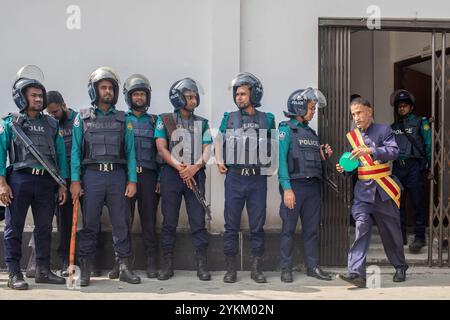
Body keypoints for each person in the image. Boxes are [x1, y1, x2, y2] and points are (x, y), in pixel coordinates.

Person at [70, 66, 140, 286]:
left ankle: (124, 267)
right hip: (92, 177)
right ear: (94, 90)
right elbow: (74, 151)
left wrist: (132, 180)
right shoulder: (82, 118)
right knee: (90, 224)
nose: (107, 91)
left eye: (110, 88)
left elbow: (130, 152)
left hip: (117, 177)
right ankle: (87, 268)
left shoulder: (123, 119)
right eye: (103, 87)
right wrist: (75, 181)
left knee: (121, 223)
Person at [0, 66, 68, 289]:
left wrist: (62, 184)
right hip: (20, 179)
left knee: (44, 228)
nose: (39, 99)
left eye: (41, 95)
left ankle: (42, 270)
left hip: (47, 181)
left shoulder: (51, 124)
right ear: (22, 97)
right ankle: (13, 274)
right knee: (14, 227)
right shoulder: (11, 123)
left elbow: (59, 156)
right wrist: (2, 183)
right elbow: (1, 154)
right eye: (34, 95)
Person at [336, 97, 408, 288]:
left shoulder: (384, 130)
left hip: (384, 191)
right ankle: (356, 273)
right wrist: (345, 168)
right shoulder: (353, 136)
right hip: (363, 193)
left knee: (391, 232)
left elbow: (393, 152)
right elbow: (354, 164)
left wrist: (370, 150)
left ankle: (400, 266)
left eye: (359, 112)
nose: (356, 117)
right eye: (353, 114)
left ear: (370, 111)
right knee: (360, 229)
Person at [216, 72, 275, 283]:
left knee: (257, 226)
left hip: (257, 179)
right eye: (237, 94)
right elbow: (219, 139)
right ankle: (230, 269)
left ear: (254, 94)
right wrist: (219, 159)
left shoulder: (267, 118)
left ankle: (256, 268)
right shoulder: (229, 117)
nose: (239, 97)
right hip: (235, 178)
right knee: (231, 225)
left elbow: (272, 144)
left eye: (243, 93)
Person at [155, 78, 212, 281]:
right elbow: (161, 148)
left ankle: (201, 264)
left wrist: (195, 167)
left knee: (198, 221)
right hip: (172, 174)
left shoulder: (203, 122)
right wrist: (179, 167)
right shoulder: (165, 120)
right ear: (178, 98)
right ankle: (167, 264)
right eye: (189, 97)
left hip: (195, 173)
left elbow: (208, 149)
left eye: (195, 96)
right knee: (169, 221)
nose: (193, 100)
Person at [277, 88, 333, 282]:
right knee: (288, 229)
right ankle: (286, 268)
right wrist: (286, 189)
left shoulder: (311, 133)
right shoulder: (285, 130)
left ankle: (312, 266)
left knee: (311, 229)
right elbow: (281, 161)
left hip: (312, 188)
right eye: (311, 108)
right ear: (299, 108)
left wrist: (323, 155)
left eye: (314, 108)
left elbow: (310, 159)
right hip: (295, 187)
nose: (313, 112)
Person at [108, 74, 161, 279]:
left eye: (142, 94)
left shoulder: (154, 121)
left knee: (148, 221)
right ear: (128, 98)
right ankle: (120, 263)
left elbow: (160, 153)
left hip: (148, 177)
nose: (139, 98)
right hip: (125, 179)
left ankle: (151, 262)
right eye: (135, 94)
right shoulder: (121, 119)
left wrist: (159, 180)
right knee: (122, 221)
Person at [26, 91, 78, 278]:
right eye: (50, 113)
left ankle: (66, 259)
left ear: (64, 105)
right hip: (49, 178)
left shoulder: (78, 121)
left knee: (65, 220)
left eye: (55, 112)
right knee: (43, 220)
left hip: (70, 180)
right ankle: (35, 260)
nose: (53, 116)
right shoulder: (46, 124)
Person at [390, 89, 431, 253]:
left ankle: (419, 237)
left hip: (414, 166)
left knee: (417, 203)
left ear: (411, 107)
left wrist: (428, 164)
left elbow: (428, 144)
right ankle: (400, 236)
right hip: (398, 167)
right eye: (399, 106)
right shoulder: (393, 127)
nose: (402, 108)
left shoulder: (421, 122)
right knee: (397, 203)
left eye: (405, 106)